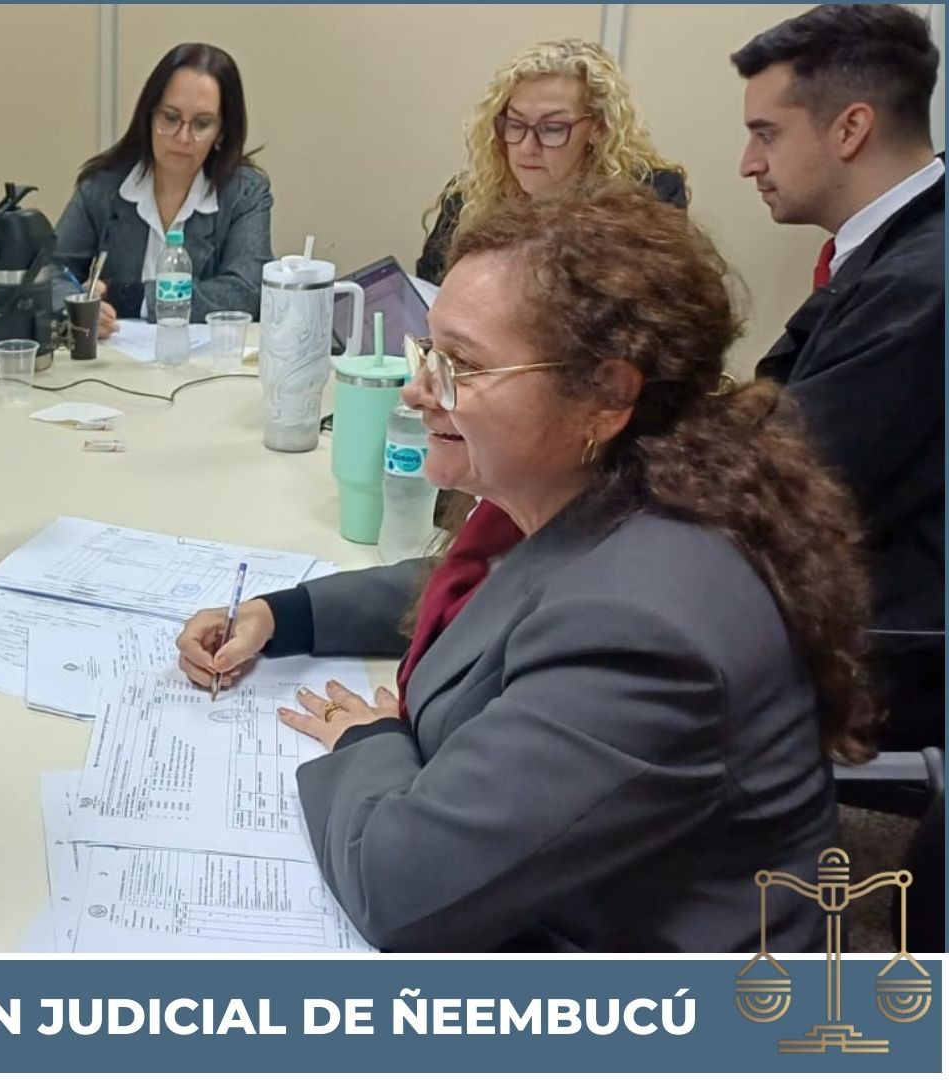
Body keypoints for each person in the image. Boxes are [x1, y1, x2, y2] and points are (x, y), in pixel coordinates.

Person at [177, 185, 875, 952]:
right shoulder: (605, 493)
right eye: (428, 352)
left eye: (461, 365)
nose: (418, 391)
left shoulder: (643, 629)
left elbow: (398, 887)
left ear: (606, 396)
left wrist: (369, 740)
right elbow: (482, 589)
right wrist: (284, 615)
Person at [734, 4, 944, 752]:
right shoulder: (896, 249)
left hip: (893, 651)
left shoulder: (921, 286)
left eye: (766, 134)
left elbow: (781, 489)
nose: (748, 163)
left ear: (851, 129)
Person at [417, 39, 686, 285]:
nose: (527, 147)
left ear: (598, 128)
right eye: (515, 124)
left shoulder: (650, 199)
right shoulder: (467, 199)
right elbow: (431, 290)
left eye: (552, 128)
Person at [55, 43, 272, 338]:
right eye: (170, 118)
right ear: (149, 116)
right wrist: (74, 307)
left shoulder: (245, 194)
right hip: (111, 358)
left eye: (202, 124)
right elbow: (50, 272)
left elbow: (245, 292)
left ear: (221, 132)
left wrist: (131, 297)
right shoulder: (103, 187)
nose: (183, 137)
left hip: (205, 361)